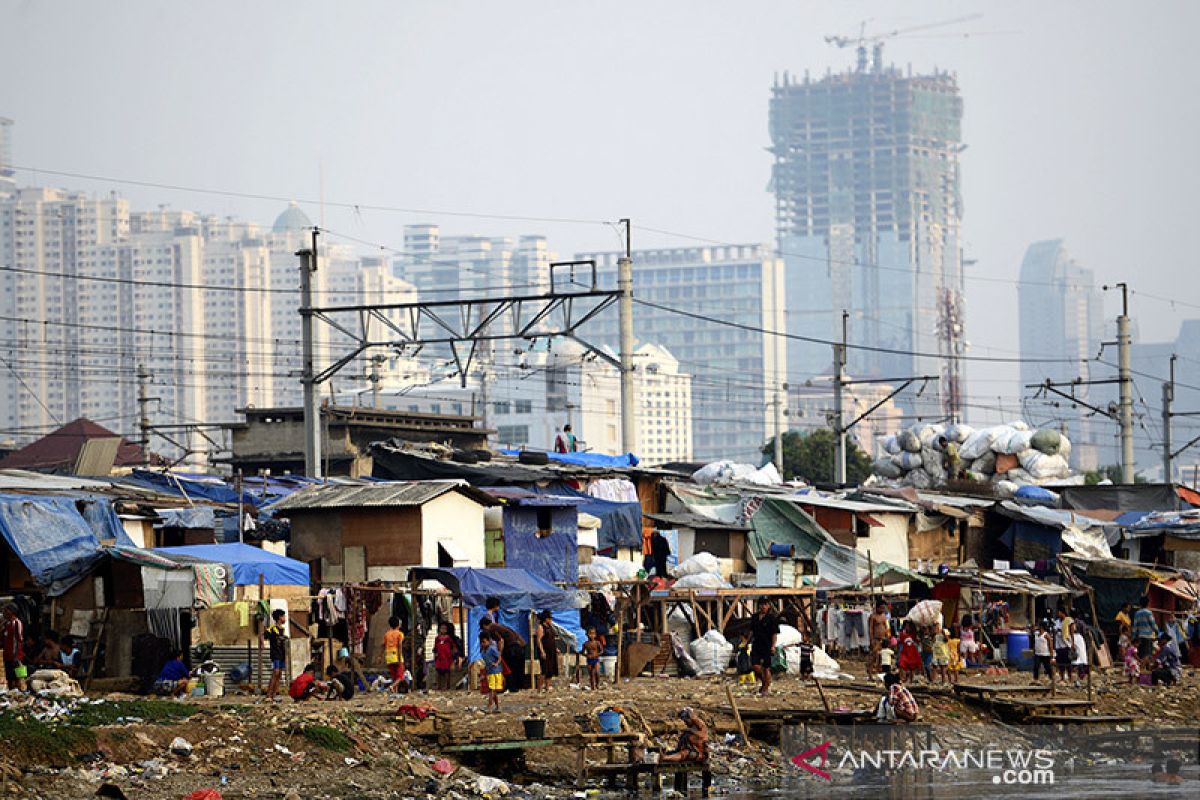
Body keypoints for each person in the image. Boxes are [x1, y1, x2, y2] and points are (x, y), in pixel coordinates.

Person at [484, 620, 527, 692]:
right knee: (518, 667)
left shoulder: (491, 628)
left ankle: (512, 687)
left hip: (511, 648)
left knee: (510, 668)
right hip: (520, 646)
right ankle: (520, 686)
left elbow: (501, 640)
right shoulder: (501, 626)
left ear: (484, 626)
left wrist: (499, 653)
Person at [749, 599, 780, 696]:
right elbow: (751, 631)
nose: (763, 607)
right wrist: (747, 641)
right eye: (762, 604)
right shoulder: (755, 617)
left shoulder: (772, 618)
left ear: (769, 606)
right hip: (756, 644)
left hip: (767, 645)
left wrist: (773, 646)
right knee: (755, 665)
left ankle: (765, 688)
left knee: (766, 667)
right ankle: (765, 681)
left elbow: (774, 633)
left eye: (765, 605)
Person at [263, 608, 288, 701]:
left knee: (279, 674)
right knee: (275, 673)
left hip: (282, 655)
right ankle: (268, 695)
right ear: (279, 618)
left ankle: (274, 695)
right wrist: (262, 645)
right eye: (283, 616)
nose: (285, 618)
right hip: (275, 655)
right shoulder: (272, 629)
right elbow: (262, 635)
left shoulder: (283, 630)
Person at [534, 610, 559, 692]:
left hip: (551, 650)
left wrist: (556, 649)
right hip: (545, 651)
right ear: (546, 619)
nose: (551, 620)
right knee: (544, 670)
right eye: (549, 618)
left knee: (550, 669)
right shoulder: (540, 627)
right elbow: (538, 640)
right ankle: (539, 689)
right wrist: (542, 651)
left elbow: (552, 639)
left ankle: (548, 686)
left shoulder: (550, 627)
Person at [478, 633, 503, 713]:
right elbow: (486, 662)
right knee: (493, 690)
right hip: (489, 671)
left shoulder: (492, 649)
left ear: (488, 641)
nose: (482, 644)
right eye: (481, 642)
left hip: (495, 671)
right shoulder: (483, 651)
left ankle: (489, 706)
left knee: (492, 689)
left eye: (484, 642)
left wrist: (496, 663)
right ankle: (497, 707)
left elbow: (499, 657)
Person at [2, 605, 25, 690]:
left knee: (18, 677)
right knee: (9, 678)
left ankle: (19, 693)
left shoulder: (17, 623)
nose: (4, 613)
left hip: (15, 656)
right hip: (7, 656)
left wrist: (17, 655)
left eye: (5, 611)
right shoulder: (6, 624)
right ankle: (12, 694)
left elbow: (19, 640)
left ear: (11, 612)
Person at [1132, 596, 1159, 668]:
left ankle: (1141, 671)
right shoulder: (1149, 613)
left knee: (1141, 654)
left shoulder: (1137, 613)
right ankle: (1146, 671)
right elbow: (1153, 624)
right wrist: (1157, 632)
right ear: (1148, 603)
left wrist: (1134, 637)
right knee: (1147, 654)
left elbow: (1135, 627)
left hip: (1140, 636)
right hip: (1148, 636)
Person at [382, 615, 406, 694]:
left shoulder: (386, 634)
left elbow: (383, 645)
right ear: (398, 624)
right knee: (400, 676)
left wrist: (380, 656)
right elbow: (399, 646)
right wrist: (399, 658)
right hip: (396, 654)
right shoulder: (400, 634)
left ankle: (394, 692)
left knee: (394, 675)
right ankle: (392, 686)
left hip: (388, 656)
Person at [433, 622, 459, 691]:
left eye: (445, 629)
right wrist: (435, 654)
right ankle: (439, 686)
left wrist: (454, 657)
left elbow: (453, 647)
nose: (443, 630)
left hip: (447, 657)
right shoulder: (437, 638)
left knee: (446, 672)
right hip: (440, 657)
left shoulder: (448, 638)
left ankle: (447, 686)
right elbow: (435, 648)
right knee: (438, 672)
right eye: (442, 628)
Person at [868, 601, 890, 673]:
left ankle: (878, 669)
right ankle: (870, 670)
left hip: (883, 639)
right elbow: (871, 628)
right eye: (881, 608)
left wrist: (887, 636)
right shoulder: (873, 616)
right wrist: (871, 639)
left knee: (881, 656)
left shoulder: (884, 616)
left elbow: (886, 626)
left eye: (884, 608)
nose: (883, 609)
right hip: (875, 639)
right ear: (877, 608)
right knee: (874, 655)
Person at [1053, 608, 1075, 682]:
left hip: (1066, 644)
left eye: (1059, 612)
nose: (1058, 614)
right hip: (1059, 645)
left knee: (1068, 662)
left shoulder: (1069, 621)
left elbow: (1071, 633)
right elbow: (1054, 630)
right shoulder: (1056, 622)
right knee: (1060, 662)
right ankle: (1062, 677)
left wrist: (1073, 643)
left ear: (1063, 613)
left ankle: (1070, 677)